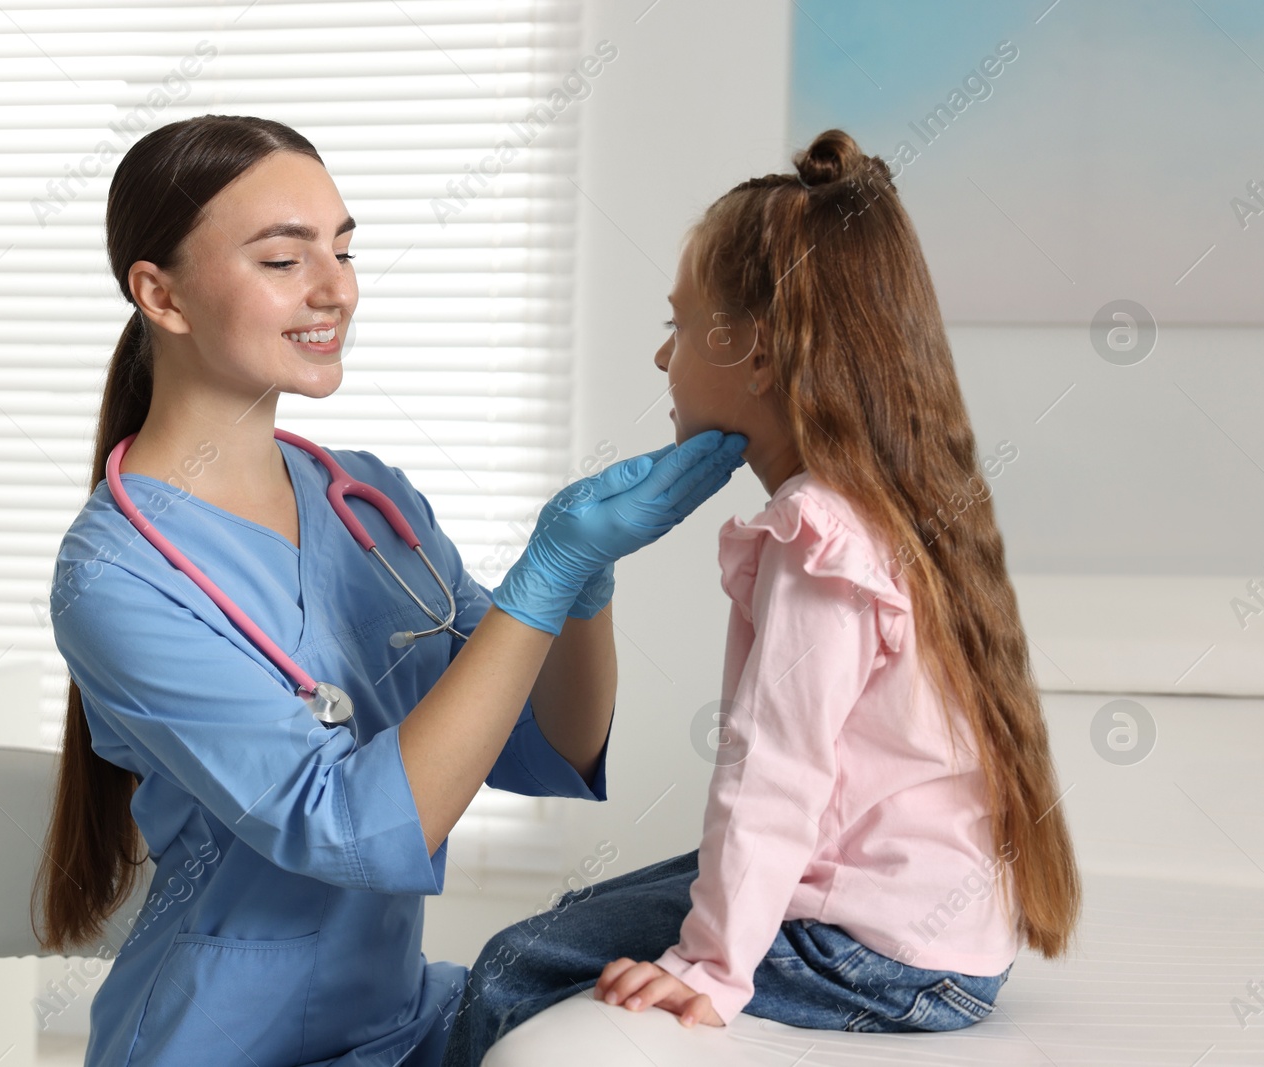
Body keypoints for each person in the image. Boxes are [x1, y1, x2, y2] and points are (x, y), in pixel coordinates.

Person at [34, 114, 748, 1067]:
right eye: (285, 260)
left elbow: (548, 738)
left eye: (343, 248)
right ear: (161, 295)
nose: (339, 289)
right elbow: (348, 830)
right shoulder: (117, 575)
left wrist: (582, 582)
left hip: (396, 1023)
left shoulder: (369, 503)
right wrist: (543, 573)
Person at [437, 129, 1084, 1064]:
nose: (664, 359)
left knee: (514, 961)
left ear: (761, 351)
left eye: (680, 325)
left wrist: (710, 965)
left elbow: (774, 770)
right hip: (942, 951)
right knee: (580, 916)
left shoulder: (815, 534)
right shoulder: (889, 508)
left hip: (864, 956)